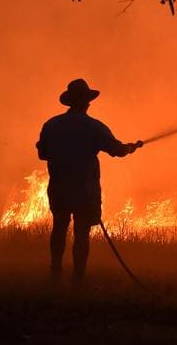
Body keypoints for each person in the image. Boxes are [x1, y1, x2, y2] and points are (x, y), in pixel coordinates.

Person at [36, 78, 143, 286]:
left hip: (59, 187)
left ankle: (55, 273)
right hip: (85, 189)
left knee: (59, 227)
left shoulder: (51, 125)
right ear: (86, 102)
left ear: (69, 102)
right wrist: (131, 147)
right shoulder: (94, 127)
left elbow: (43, 154)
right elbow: (116, 150)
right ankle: (78, 278)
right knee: (82, 232)